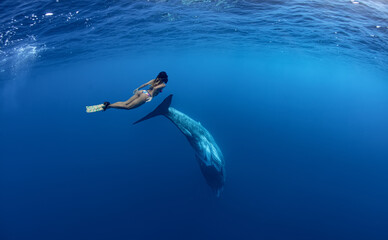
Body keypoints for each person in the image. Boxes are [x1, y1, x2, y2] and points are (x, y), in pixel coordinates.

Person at [103, 71, 168, 110]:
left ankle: (110, 105)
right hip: (146, 96)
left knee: (125, 102)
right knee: (128, 107)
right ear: (165, 78)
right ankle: (108, 105)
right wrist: (151, 97)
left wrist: (138, 89)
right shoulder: (163, 85)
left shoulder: (154, 80)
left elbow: (145, 84)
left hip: (142, 91)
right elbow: (155, 88)